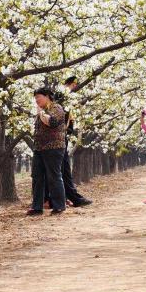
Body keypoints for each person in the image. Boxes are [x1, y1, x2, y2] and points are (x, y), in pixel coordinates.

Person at [27, 86, 67, 216]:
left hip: (54, 148)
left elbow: (52, 122)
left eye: (38, 97)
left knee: (54, 176)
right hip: (39, 148)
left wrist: (41, 113)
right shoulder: (42, 110)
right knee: (37, 177)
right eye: (35, 98)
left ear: (47, 96)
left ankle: (59, 206)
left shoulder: (56, 108)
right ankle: (37, 207)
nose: (36, 100)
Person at [58, 76, 92, 207]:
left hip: (62, 137)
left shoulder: (64, 97)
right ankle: (71, 197)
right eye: (75, 85)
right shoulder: (63, 96)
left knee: (64, 168)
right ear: (72, 84)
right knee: (63, 168)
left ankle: (68, 197)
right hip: (60, 137)